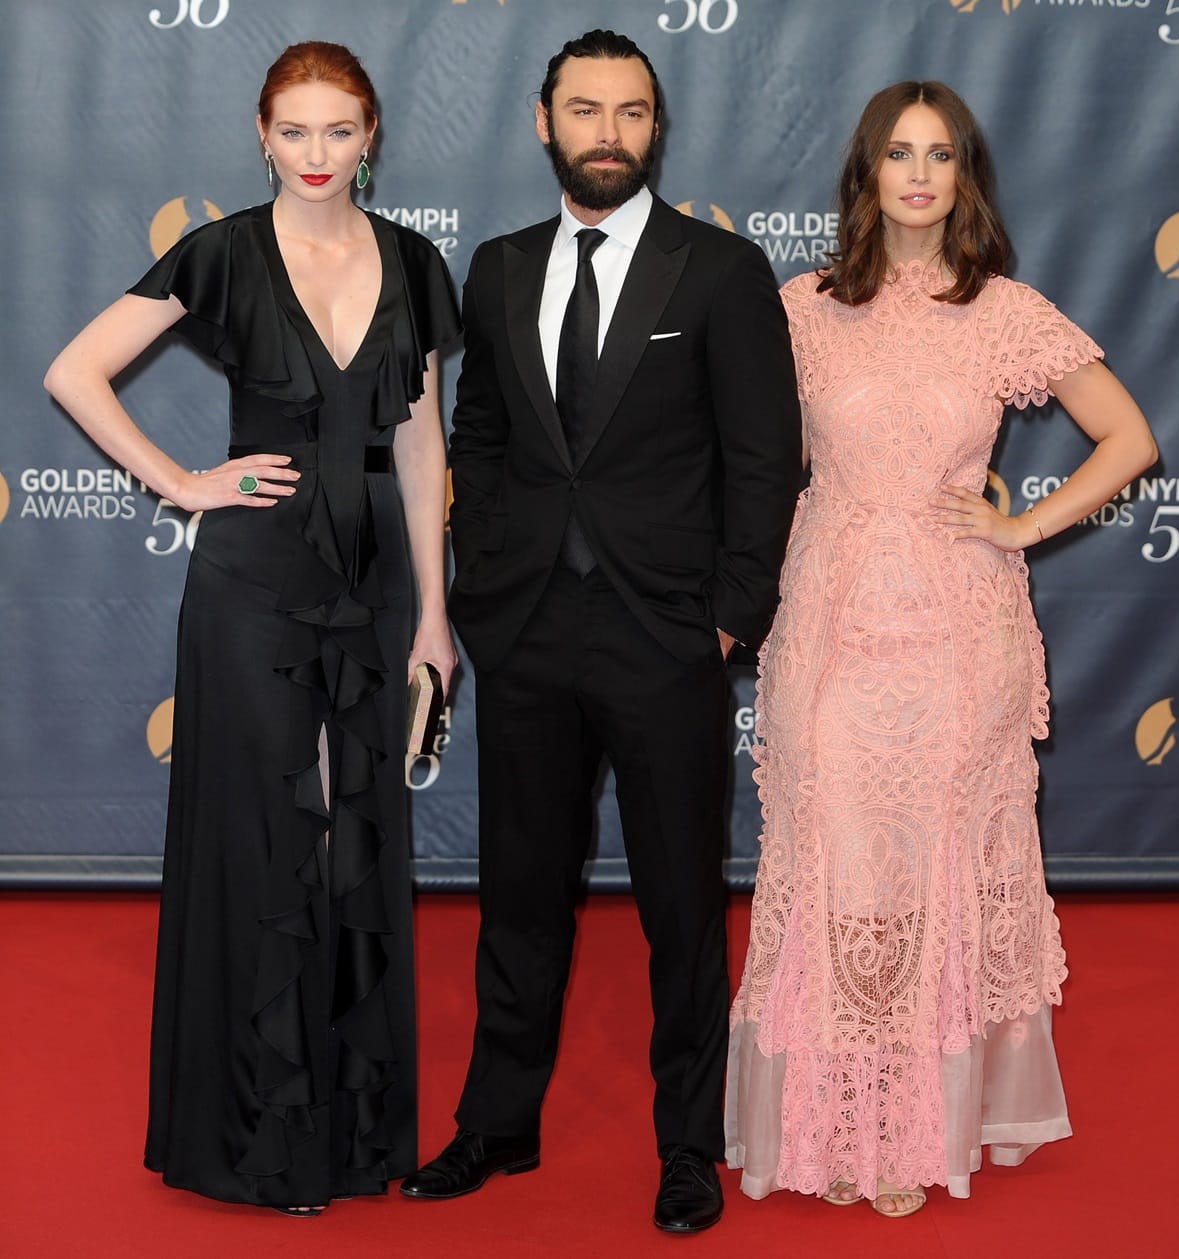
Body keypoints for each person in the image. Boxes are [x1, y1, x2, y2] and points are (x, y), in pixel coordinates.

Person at [725, 81, 1157, 1219]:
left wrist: (1019, 521)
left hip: (959, 632)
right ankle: (834, 1118)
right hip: (828, 618)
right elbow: (741, 454)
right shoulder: (800, 306)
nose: (919, 175)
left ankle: (918, 1126)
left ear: (965, 176)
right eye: (898, 154)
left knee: (932, 869)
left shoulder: (1006, 310)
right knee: (835, 861)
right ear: (865, 172)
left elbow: (1131, 436)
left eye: (942, 155)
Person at [43, 42, 460, 1214]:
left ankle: (357, 1130)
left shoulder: (417, 263)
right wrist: (182, 480)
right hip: (253, 586)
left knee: (353, 842)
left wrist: (434, 612)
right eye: (297, 132)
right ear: (262, 135)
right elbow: (75, 373)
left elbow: (421, 443)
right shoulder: (220, 255)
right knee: (280, 839)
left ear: (372, 133)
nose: (319, 155)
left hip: (379, 586)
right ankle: (270, 1143)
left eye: (341, 131)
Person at [399, 30, 801, 1233]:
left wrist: (731, 618)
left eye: (632, 112)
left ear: (656, 128)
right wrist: (481, 583)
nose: (610, 132)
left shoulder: (721, 271)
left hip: (667, 635)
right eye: (587, 109)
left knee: (682, 902)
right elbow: (476, 434)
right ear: (543, 121)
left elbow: (764, 459)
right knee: (519, 889)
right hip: (525, 628)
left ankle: (691, 1144)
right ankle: (496, 1123)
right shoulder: (500, 265)